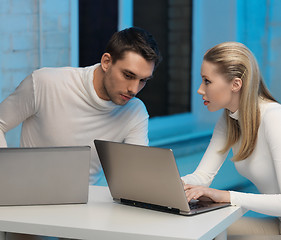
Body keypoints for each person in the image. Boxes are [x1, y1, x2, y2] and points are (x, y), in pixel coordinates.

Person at [0, 27, 161, 240]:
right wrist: (7, 180)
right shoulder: (44, 83)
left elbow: (135, 178)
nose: (133, 89)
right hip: (27, 204)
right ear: (106, 62)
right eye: (128, 75)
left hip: (82, 209)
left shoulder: (135, 112)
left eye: (143, 80)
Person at [182, 42, 281, 239]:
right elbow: (202, 176)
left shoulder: (274, 118)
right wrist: (171, 185)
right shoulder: (229, 118)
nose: (200, 90)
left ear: (236, 84)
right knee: (203, 228)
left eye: (207, 81)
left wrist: (227, 196)